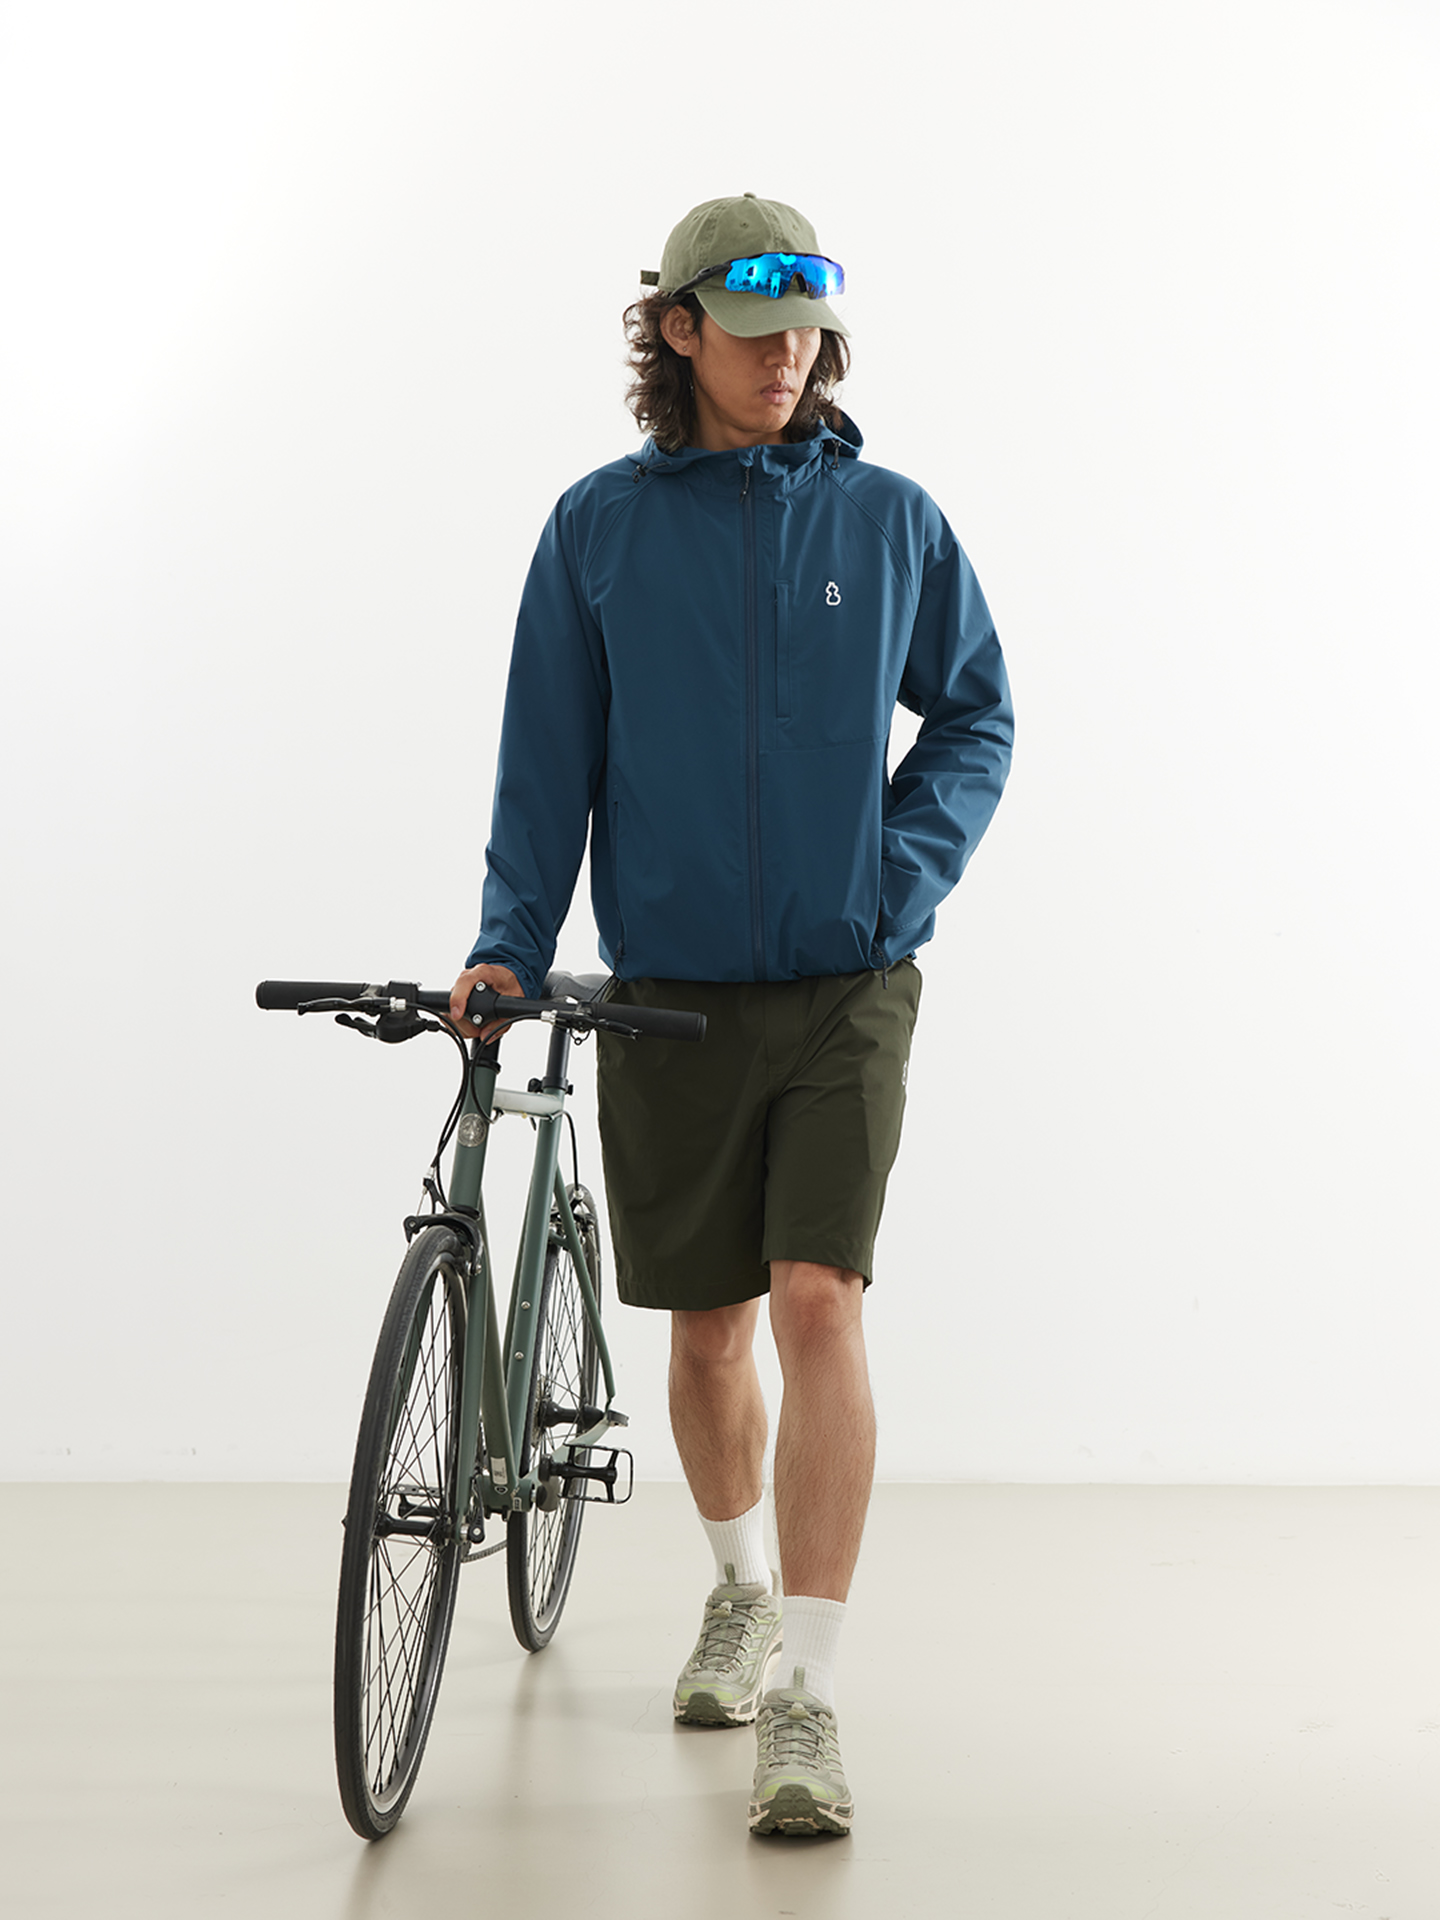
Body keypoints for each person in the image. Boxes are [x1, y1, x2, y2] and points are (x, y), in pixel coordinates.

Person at [451, 192, 1012, 1837]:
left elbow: (976, 715)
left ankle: (811, 1699)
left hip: (848, 984)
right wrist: (507, 944)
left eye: (809, 331)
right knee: (707, 1332)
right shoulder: (598, 531)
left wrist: (895, 878)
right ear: (680, 330)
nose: (788, 359)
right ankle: (740, 1589)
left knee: (818, 1300)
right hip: (673, 997)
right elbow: (544, 765)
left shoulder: (891, 523)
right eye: (754, 330)